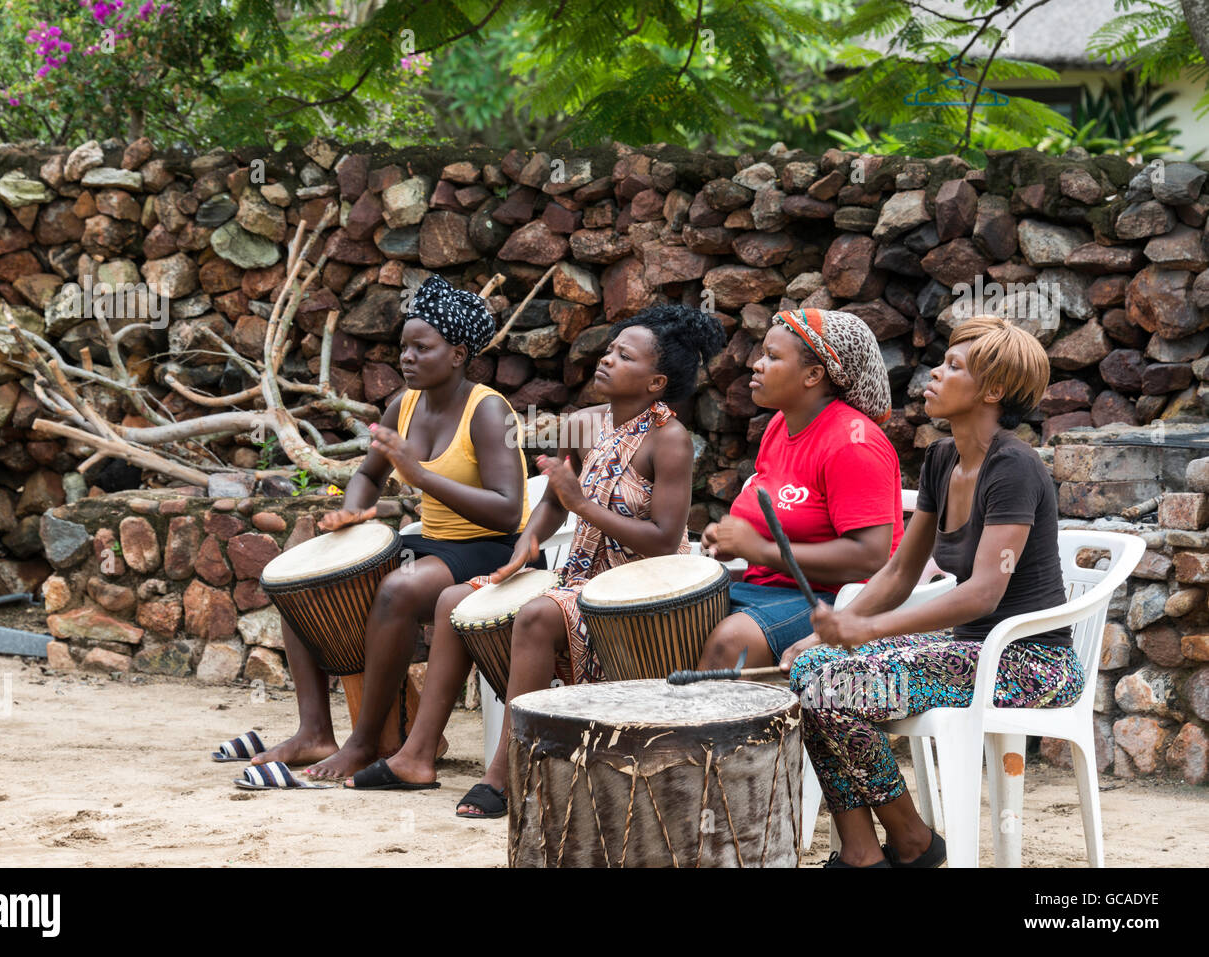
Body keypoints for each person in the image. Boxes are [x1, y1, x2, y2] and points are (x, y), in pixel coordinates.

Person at [344, 304, 725, 817]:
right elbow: (549, 503)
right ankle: (416, 756)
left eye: (624, 356)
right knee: (457, 602)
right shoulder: (584, 423)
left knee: (539, 613)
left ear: (656, 382)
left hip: (641, 589)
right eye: (610, 349)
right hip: (580, 576)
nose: (606, 359)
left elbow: (663, 538)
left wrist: (581, 505)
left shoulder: (670, 440)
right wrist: (527, 544)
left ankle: (507, 774)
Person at [790, 315, 1082, 868]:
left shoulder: (1014, 467)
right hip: (967, 653)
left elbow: (983, 594)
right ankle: (863, 848)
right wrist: (825, 633)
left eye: (953, 366)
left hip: (1030, 660)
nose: (934, 374)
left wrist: (867, 629)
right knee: (813, 671)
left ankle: (912, 841)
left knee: (832, 684)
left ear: (993, 390)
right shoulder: (943, 459)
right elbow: (902, 573)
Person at [249, 274, 531, 781]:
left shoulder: (488, 411)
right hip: (436, 543)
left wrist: (422, 476)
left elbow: (509, 511)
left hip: (493, 548)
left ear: (458, 354)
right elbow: (367, 474)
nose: (407, 358)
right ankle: (314, 731)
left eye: (422, 348)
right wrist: (353, 517)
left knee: (398, 590)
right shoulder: (405, 404)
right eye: (404, 347)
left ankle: (363, 743)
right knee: (308, 586)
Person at [696, 308, 903, 674]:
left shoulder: (853, 443)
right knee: (669, 613)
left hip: (837, 603)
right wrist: (727, 538)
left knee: (732, 639)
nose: (756, 365)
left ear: (813, 375)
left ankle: (721, 732)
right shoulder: (779, 426)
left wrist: (759, 549)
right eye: (762, 354)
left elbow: (871, 557)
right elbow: (774, 512)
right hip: (767, 591)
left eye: (772, 357)